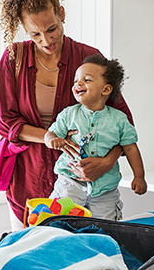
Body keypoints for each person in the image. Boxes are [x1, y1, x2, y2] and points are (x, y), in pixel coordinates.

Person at [0, 0, 134, 229]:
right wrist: (48, 137)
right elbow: (4, 122)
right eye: (35, 34)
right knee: (30, 259)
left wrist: (107, 162)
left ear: (62, 13)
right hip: (28, 182)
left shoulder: (90, 58)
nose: (46, 41)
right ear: (24, 29)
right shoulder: (13, 58)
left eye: (52, 29)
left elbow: (123, 123)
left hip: (87, 190)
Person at [44, 54, 147, 220]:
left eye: (87, 80)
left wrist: (139, 176)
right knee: (59, 222)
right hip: (70, 183)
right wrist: (52, 140)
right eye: (76, 80)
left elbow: (130, 148)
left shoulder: (119, 119)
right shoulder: (69, 114)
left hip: (105, 191)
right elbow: (51, 133)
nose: (78, 83)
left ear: (105, 90)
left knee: (104, 229)